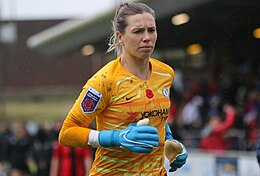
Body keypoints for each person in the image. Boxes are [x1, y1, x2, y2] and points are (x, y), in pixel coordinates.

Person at [58, 2, 188, 175]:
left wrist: (169, 140)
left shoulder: (165, 74)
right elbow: (67, 133)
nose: (147, 37)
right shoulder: (104, 81)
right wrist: (115, 138)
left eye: (151, 30)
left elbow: (155, 116)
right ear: (120, 37)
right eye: (138, 31)